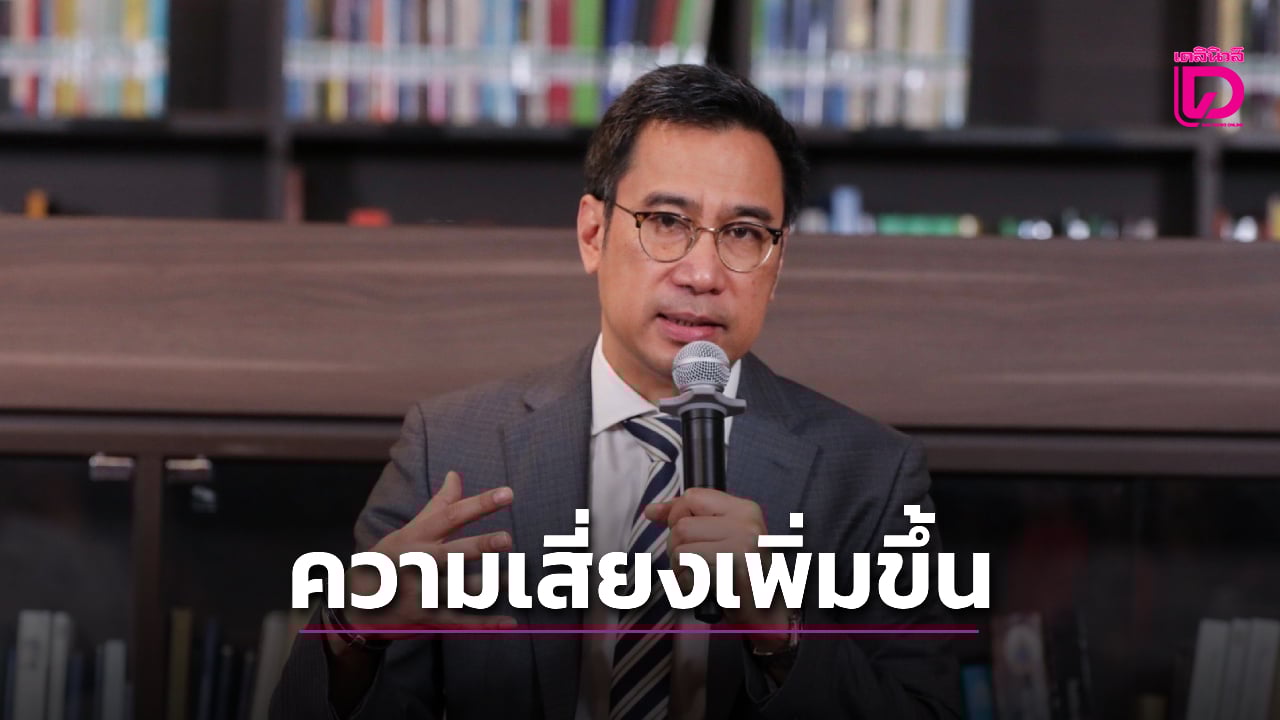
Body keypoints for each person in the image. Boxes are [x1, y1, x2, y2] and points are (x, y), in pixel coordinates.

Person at [272, 64, 961, 720]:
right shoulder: (450, 448)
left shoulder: (871, 476)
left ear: (776, 265)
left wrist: (779, 631)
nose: (702, 274)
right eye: (667, 222)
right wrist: (352, 630)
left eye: (744, 233)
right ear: (593, 234)